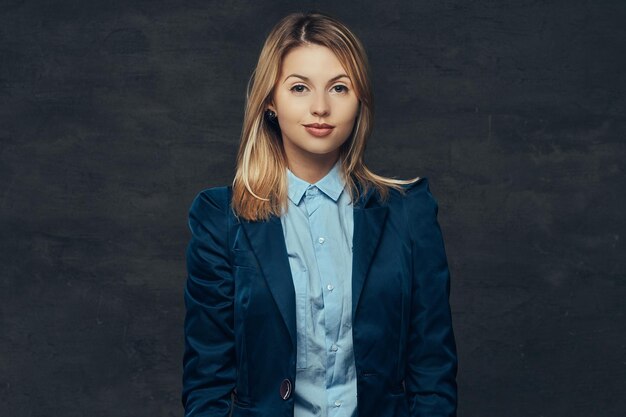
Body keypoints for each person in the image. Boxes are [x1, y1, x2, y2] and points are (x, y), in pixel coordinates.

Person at [182, 11, 457, 417]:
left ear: (360, 99)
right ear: (271, 101)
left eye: (339, 88)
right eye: (299, 87)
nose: (320, 107)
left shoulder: (408, 214)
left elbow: (432, 373)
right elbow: (207, 382)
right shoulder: (221, 219)